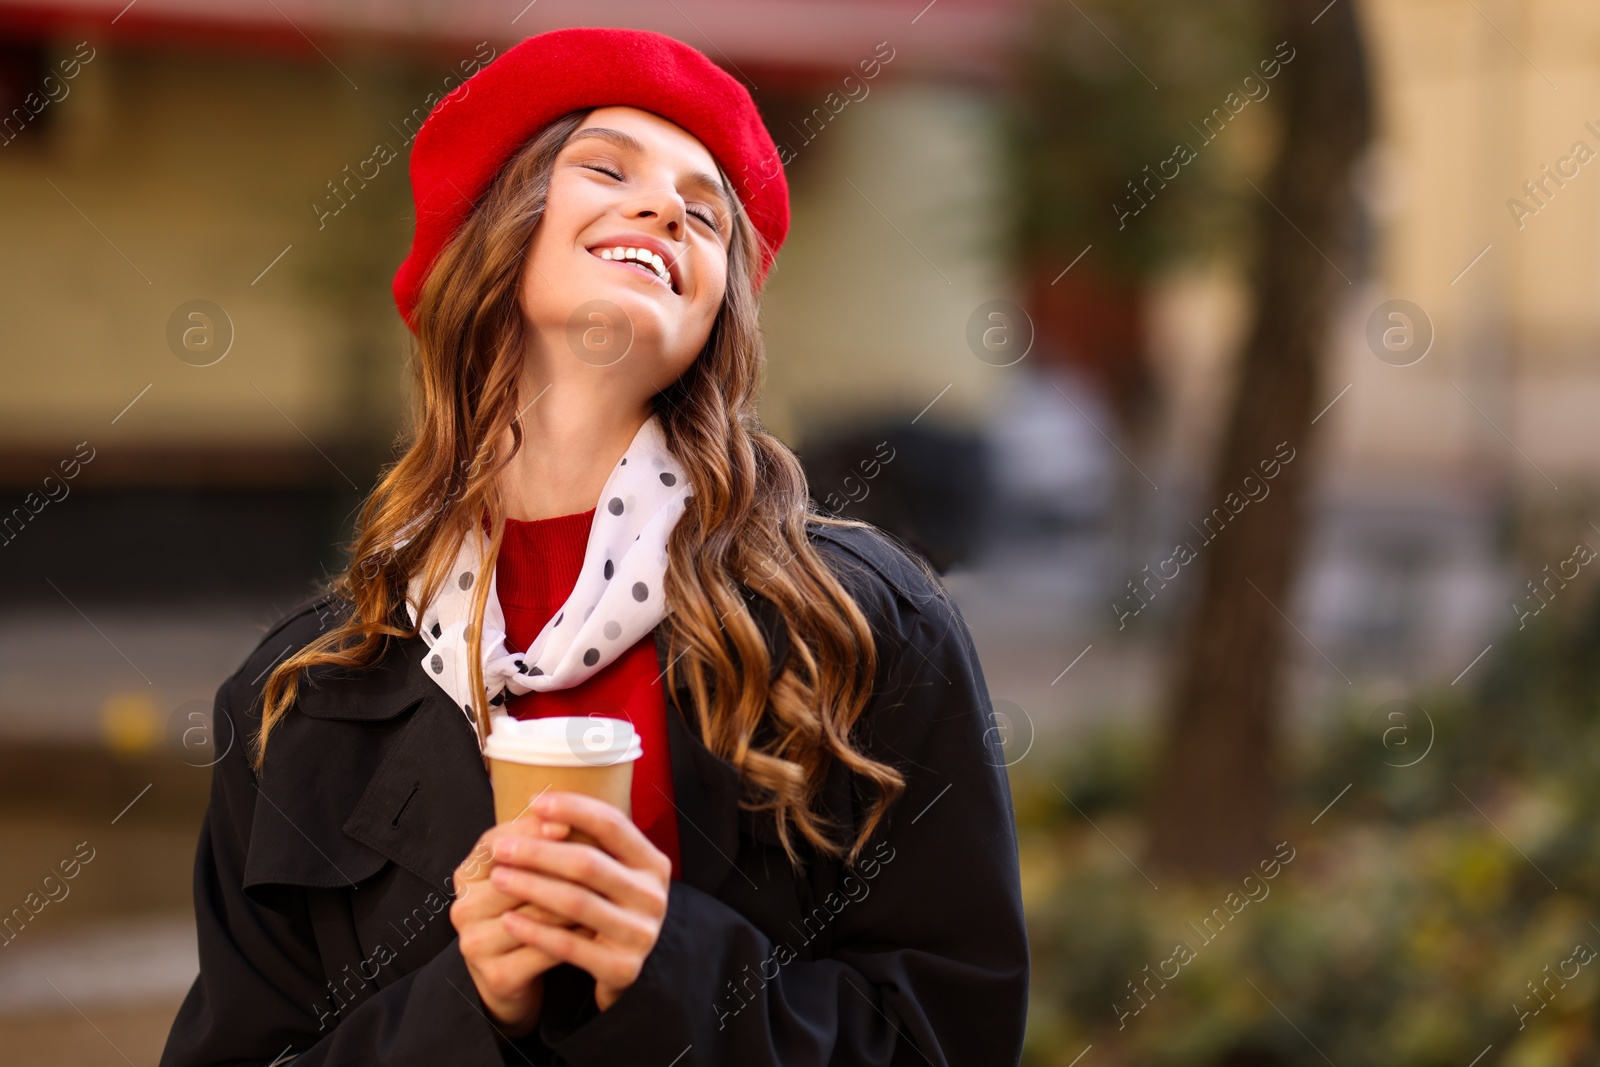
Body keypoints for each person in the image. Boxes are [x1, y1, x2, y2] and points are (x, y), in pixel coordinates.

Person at [160, 26, 1028, 1067]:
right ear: (491, 232)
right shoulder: (298, 697)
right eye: (605, 167)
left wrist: (671, 967)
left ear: (718, 310)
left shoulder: (861, 625)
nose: (665, 206)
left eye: (705, 212)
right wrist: (465, 1004)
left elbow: (945, 1037)